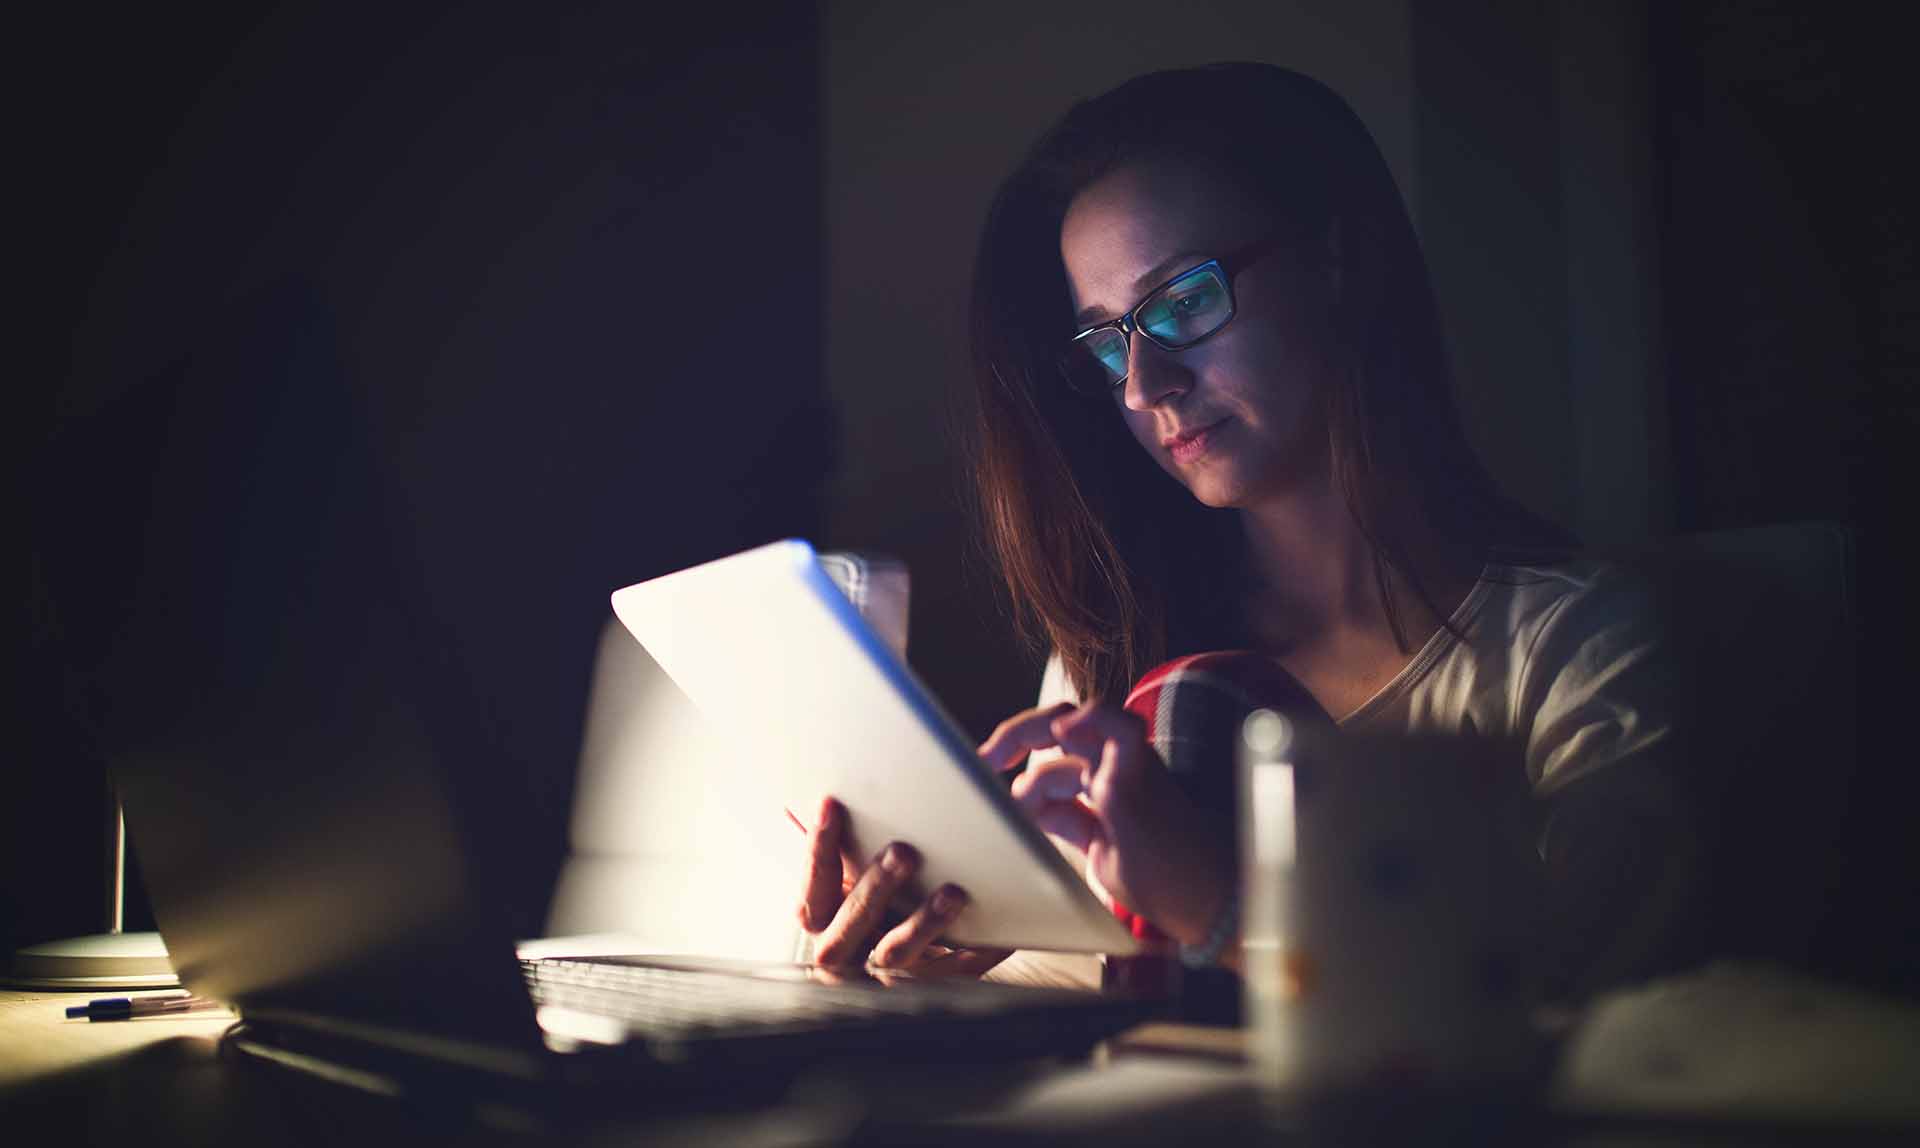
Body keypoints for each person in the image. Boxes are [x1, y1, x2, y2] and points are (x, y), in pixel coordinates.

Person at [794, 61, 1694, 1003]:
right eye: (1107, 341)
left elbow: (1573, 1001)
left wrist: (1217, 909)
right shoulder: (1110, 668)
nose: (1145, 386)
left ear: (1335, 264)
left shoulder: (1569, 652)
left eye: (1184, 301)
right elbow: (1060, 997)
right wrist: (931, 949)